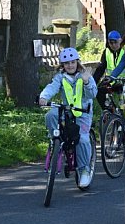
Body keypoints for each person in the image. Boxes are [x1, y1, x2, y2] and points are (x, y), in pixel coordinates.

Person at [38, 47, 97, 188]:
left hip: (83, 113)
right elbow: (52, 87)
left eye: (72, 62)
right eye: (66, 63)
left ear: (77, 62)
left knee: (82, 139)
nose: (70, 65)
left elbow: (92, 94)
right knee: (51, 114)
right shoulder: (60, 76)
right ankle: (55, 139)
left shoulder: (85, 75)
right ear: (62, 65)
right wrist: (43, 97)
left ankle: (84, 169)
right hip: (67, 111)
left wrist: (87, 82)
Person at [93, 30, 125, 108]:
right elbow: (100, 69)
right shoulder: (106, 52)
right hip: (111, 81)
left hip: (124, 81)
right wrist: (93, 82)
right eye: (111, 42)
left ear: (120, 41)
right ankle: (110, 113)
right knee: (100, 91)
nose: (113, 45)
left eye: (115, 42)